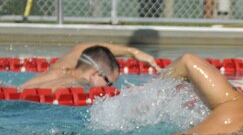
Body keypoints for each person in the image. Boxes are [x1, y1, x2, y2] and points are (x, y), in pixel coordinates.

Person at [20, 42, 159, 90]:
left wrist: (132, 52)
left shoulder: (63, 66)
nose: (109, 88)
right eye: (109, 83)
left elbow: (83, 47)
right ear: (94, 74)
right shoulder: (78, 84)